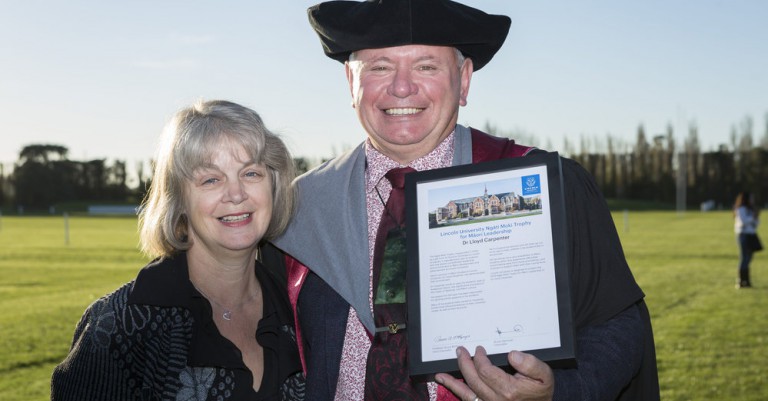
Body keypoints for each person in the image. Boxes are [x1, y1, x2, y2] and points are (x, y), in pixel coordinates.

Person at [273, 0, 660, 400]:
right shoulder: (298, 208)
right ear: (350, 83)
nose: (402, 87)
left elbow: (617, 324)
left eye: (426, 66)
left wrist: (558, 392)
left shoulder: (543, 184)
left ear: (464, 80)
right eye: (379, 66)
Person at [52, 100, 305, 400]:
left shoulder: (301, 312)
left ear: (274, 186)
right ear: (179, 201)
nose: (236, 194)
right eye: (211, 179)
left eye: (251, 173)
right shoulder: (118, 329)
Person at [733, 191, 761, 288]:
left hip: (751, 234)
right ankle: (741, 281)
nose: (752, 200)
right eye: (751, 198)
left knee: (749, 257)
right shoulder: (741, 209)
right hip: (743, 235)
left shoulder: (751, 210)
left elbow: (756, 224)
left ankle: (747, 281)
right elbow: (743, 221)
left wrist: (756, 217)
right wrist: (752, 217)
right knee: (744, 257)